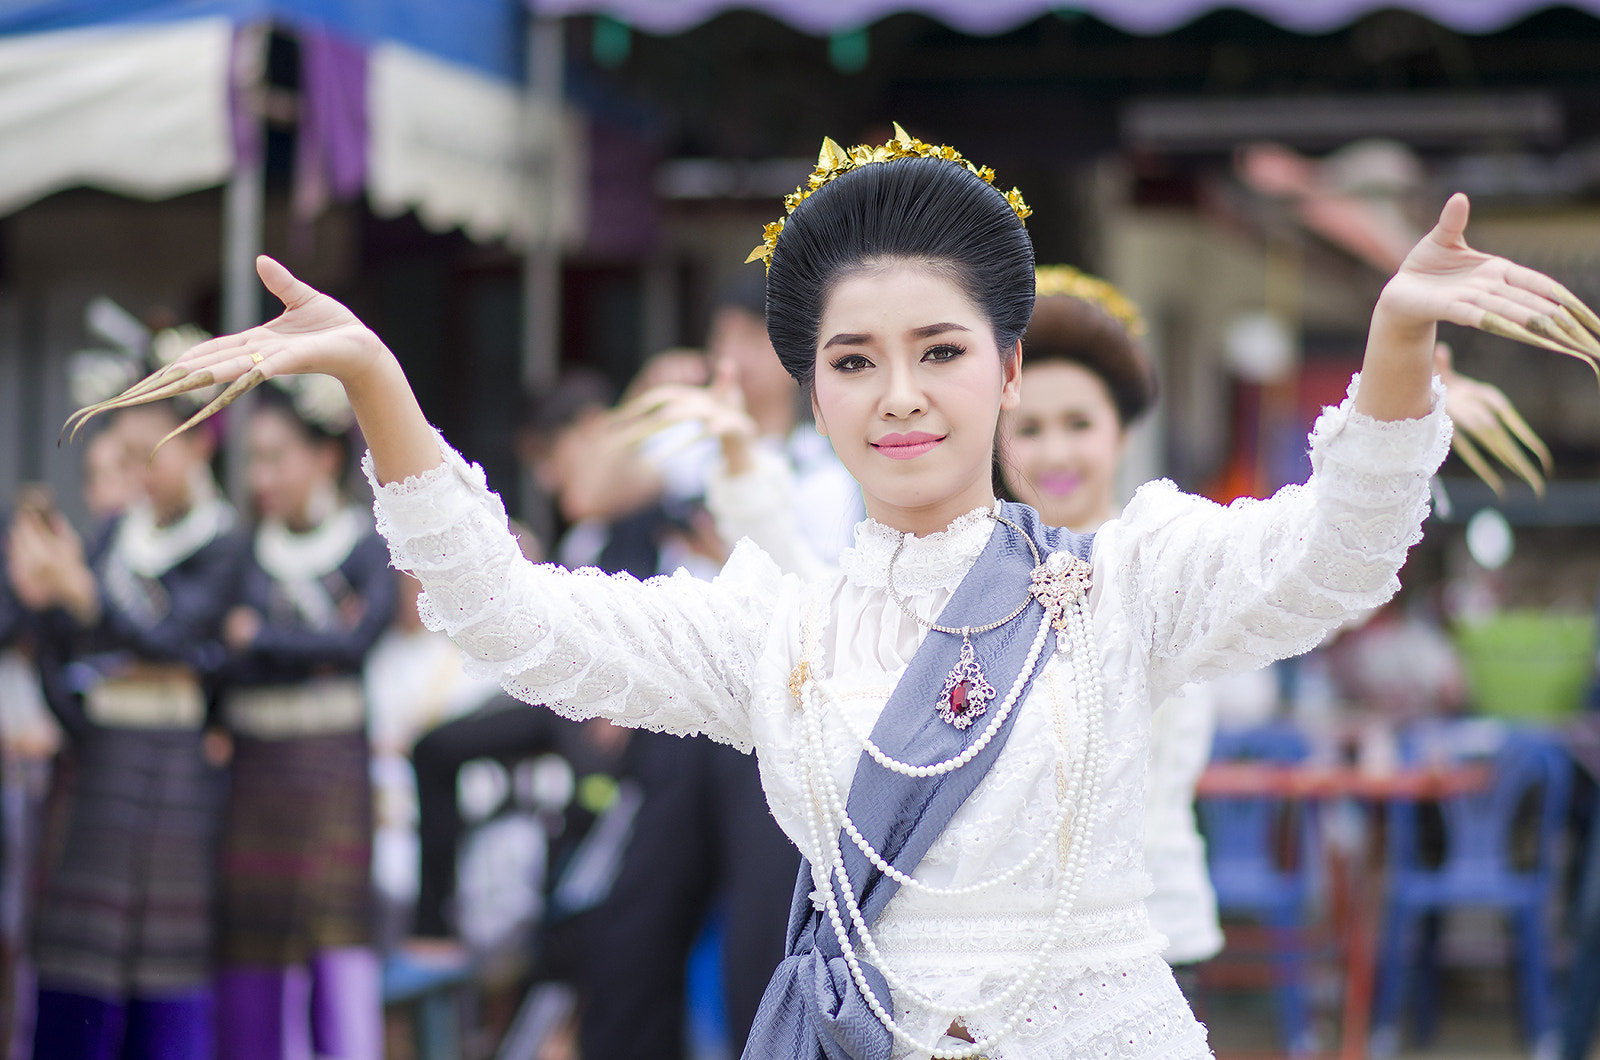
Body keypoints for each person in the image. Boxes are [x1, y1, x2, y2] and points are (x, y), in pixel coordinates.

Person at [136, 124, 1574, 1060]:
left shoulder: (1129, 570)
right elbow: (513, 619)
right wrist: (380, 391)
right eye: (854, 361)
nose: (901, 398)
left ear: (1011, 369)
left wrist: (1392, 354)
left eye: (943, 353)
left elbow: (1335, 553)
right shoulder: (775, 620)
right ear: (809, 388)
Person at [8, 402, 242, 1060]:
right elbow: (66, 645)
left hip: (174, 762)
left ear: (198, 448)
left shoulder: (226, 543)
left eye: (152, 449)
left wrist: (83, 594)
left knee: (166, 959)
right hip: (103, 758)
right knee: (79, 952)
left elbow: (172, 638)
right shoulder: (114, 533)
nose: (140, 469)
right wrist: (45, 600)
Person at [214, 380, 395, 1060]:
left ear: (324, 457)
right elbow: (221, 657)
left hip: (333, 770)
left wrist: (259, 638)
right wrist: (305, 651)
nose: (260, 478)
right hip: (256, 777)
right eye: (252, 460)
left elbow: (355, 644)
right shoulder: (241, 553)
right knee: (253, 952)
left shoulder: (363, 544)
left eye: (275, 458)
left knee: (336, 952)